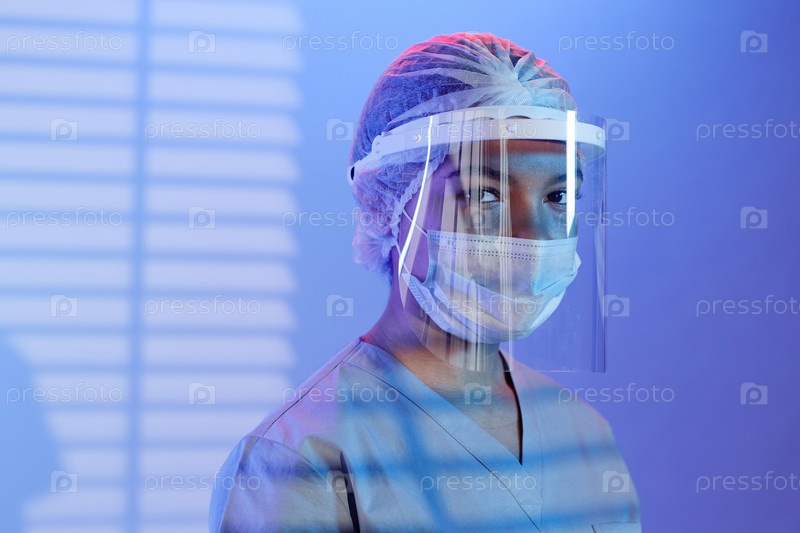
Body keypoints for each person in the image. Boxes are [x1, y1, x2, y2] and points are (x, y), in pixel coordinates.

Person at [209, 32, 641, 532]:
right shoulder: (300, 459)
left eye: (558, 196)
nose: (533, 234)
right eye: (484, 194)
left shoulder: (583, 435)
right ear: (390, 204)